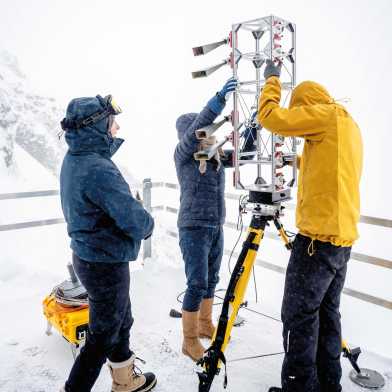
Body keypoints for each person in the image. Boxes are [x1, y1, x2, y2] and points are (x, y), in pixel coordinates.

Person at [258, 60, 363, 392]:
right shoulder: (347, 124)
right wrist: (298, 161)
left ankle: (300, 387)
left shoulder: (324, 115)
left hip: (316, 244)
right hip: (341, 244)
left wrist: (271, 81)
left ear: (307, 105)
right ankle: (328, 384)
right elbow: (334, 167)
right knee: (327, 316)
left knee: (298, 318)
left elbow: (271, 118)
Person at [59, 95, 156, 392]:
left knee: (119, 319)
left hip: (90, 256)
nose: (117, 127)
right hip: (104, 262)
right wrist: (146, 221)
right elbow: (135, 221)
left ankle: (125, 381)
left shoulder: (76, 159)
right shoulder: (98, 168)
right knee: (103, 333)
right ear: (98, 126)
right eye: (112, 123)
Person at [174, 78, 257, 361]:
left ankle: (204, 323)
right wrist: (218, 99)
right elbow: (200, 123)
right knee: (197, 282)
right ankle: (189, 340)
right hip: (193, 226)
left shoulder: (216, 155)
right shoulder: (183, 154)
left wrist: (254, 128)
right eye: (202, 129)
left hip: (215, 226)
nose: (207, 133)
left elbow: (244, 156)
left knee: (211, 280)